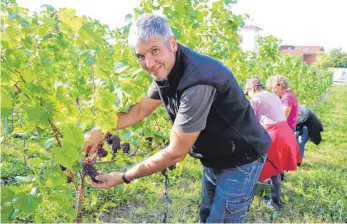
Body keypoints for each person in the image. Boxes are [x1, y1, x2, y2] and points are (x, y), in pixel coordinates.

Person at [83, 14, 271, 223]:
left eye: (155, 51)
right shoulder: (166, 71)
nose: (149, 63)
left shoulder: (197, 83)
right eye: (140, 56)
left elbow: (175, 153)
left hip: (242, 158)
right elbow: (138, 111)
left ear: (172, 43)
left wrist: (124, 177)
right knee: (207, 215)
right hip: (217, 154)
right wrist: (101, 129)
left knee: (223, 220)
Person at [244, 78, 301, 209]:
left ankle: (245, 205)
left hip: (273, 136)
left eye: (248, 93)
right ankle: (276, 202)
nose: (249, 96)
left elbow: (251, 124)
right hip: (286, 134)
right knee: (276, 168)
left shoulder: (255, 100)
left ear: (252, 89)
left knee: (255, 169)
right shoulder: (274, 96)